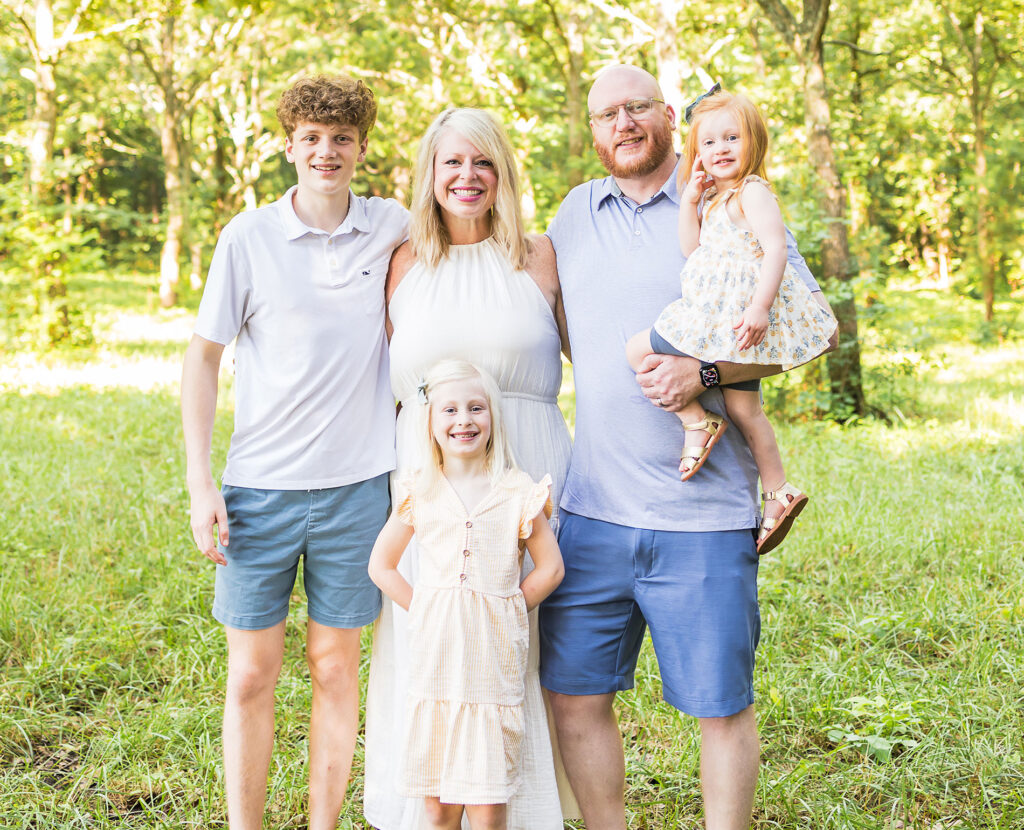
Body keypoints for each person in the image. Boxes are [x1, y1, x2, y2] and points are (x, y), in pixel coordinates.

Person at [535, 65, 837, 830]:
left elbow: (797, 337)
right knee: (574, 698)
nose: (624, 125)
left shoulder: (732, 201)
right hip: (592, 510)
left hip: (702, 514)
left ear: (670, 116)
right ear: (594, 130)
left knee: (720, 705)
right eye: (607, 115)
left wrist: (701, 372)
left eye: (637, 108)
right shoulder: (573, 213)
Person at [180, 76, 407, 830]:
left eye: (342, 139)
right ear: (289, 145)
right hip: (260, 491)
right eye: (311, 137)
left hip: (357, 492)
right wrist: (199, 483)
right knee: (250, 676)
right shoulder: (248, 237)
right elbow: (203, 358)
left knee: (336, 669)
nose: (327, 151)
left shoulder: (392, 228)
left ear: (363, 149)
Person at [363, 108, 576, 830]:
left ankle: (528, 813)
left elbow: (601, 361)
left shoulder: (539, 256)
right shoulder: (403, 265)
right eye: (451, 162)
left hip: (532, 467)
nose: (467, 176)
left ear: (503, 173)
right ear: (429, 173)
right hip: (431, 482)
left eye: (482, 162)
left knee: (525, 649)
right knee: (436, 647)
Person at [625, 88, 837, 554]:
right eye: (709, 143)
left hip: (735, 321)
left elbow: (776, 249)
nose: (720, 150)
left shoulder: (754, 192)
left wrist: (760, 307)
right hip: (724, 325)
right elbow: (691, 249)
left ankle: (696, 421)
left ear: (753, 143)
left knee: (638, 349)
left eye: (731, 139)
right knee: (745, 411)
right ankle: (777, 490)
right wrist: (689, 202)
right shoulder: (715, 201)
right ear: (696, 153)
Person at [368, 360, 565, 830]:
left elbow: (551, 567)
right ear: (431, 423)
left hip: (491, 669)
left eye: (476, 409)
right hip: (436, 666)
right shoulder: (422, 490)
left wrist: (511, 604)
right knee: (437, 805)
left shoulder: (518, 491)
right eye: (450, 410)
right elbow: (381, 565)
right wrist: (428, 606)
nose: (464, 420)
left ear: (493, 417)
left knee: (488, 802)